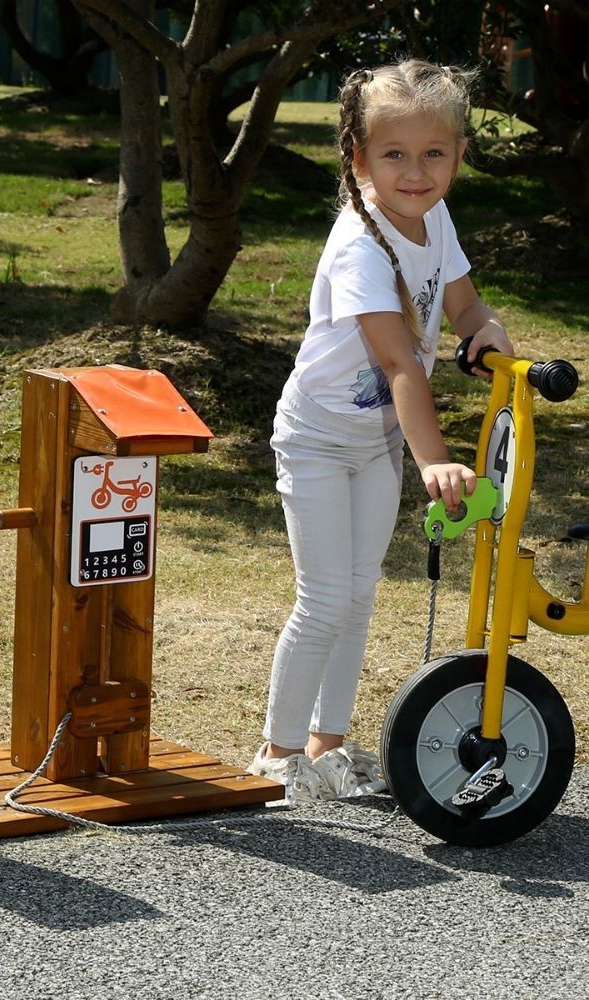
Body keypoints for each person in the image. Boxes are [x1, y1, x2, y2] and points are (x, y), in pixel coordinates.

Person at [249, 58, 514, 801]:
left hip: (373, 441)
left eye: (434, 153)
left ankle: (327, 747)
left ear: (460, 154)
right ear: (358, 158)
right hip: (317, 438)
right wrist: (437, 463)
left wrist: (485, 327)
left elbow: (462, 305)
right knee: (326, 596)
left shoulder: (433, 219)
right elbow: (400, 363)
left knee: (361, 594)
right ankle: (275, 753)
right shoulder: (362, 246)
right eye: (394, 154)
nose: (416, 171)